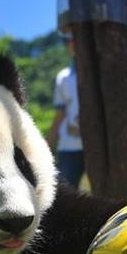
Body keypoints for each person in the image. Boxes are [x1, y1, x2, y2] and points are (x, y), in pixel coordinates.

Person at [47, 34, 85, 188]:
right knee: (67, 193)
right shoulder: (63, 77)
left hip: (96, 146)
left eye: (74, 39)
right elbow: (59, 116)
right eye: (68, 41)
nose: (71, 44)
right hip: (69, 146)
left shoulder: (101, 75)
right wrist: (46, 148)